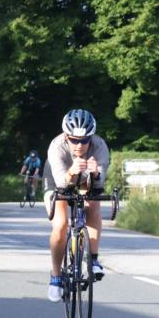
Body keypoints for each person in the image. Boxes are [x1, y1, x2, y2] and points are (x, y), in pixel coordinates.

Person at [43, 109, 111, 302]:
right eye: (74, 140)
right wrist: (72, 172)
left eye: (84, 140)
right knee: (61, 224)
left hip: (85, 179)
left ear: (92, 137)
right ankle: (56, 276)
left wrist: (96, 174)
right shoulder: (57, 146)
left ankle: (94, 260)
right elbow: (62, 185)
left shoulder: (99, 146)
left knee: (93, 204)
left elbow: (99, 186)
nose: (79, 145)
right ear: (67, 136)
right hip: (57, 179)